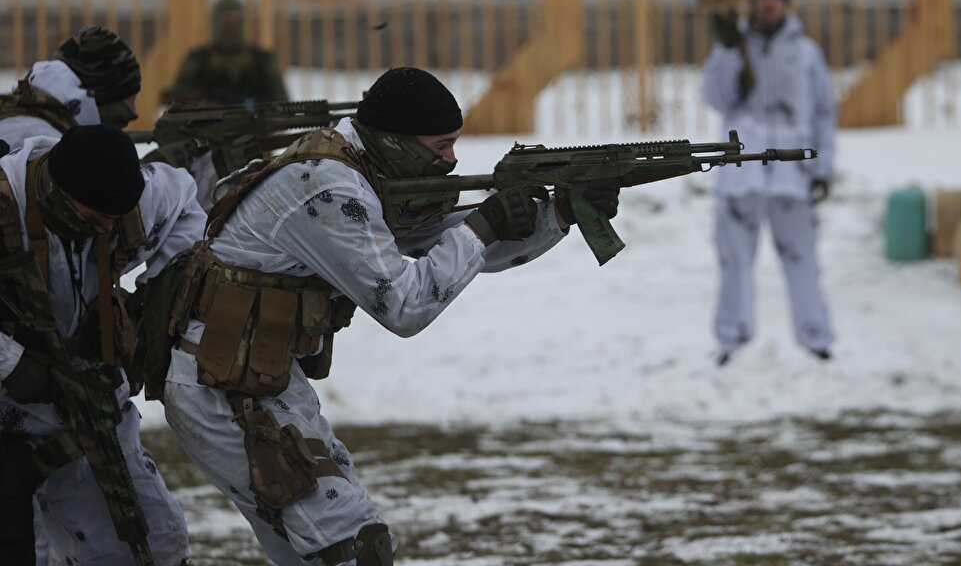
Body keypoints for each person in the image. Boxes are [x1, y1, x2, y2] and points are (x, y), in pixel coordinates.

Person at [153, 67, 618, 565]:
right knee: (351, 546)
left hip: (254, 375)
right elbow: (405, 305)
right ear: (396, 140)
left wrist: (557, 215)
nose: (452, 159)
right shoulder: (327, 188)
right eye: (441, 146)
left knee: (321, 546)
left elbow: (435, 241)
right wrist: (484, 226)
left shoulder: (356, 165)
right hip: (224, 385)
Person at [0, 125, 204, 565]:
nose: (110, 228)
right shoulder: (6, 204)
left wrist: (154, 310)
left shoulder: (128, 199)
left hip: (83, 408)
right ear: (58, 189)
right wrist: (14, 365)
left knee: (151, 543)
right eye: (95, 220)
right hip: (7, 412)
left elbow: (187, 205)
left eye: (117, 218)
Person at [700, 0, 837, 367]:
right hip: (741, 171)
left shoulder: (806, 53)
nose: (768, 2)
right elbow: (716, 97)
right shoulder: (731, 46)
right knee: (734, 262)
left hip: (792, 173)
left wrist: (823, 166)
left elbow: (824, 112)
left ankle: (816, 339)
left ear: (785, 0)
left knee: (803, 260)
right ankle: (732, 341)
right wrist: (727, 51)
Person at [0, 26, 141, 151]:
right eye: (130, 99)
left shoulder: (27, 119)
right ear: (98, 97)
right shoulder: (44, 146)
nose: (134, 112)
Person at [168, 0, 290, 105]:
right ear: (215, 22)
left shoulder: (262, 61)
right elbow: (176, 105)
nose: (232, 25)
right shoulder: (197, 61)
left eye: (237, 19)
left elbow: (282, 105)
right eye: (226, 19)